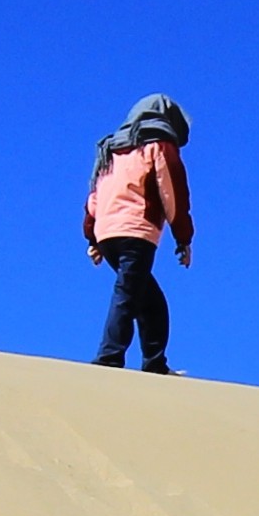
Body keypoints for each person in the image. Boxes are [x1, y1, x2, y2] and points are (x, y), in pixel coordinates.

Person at [84, 95, 192, 372]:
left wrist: (93, 236)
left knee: (150, 301)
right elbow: (172, 193)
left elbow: (95, 194)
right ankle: (109, 357)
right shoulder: (158, 145)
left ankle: (155, 364)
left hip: (107, 233)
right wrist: (183, 238)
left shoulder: (112, 148)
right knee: (127, 295)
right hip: (136, 231)